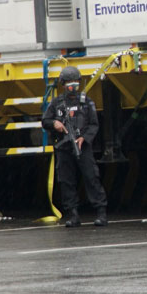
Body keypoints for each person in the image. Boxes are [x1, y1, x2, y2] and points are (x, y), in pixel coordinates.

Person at [42, 66, 108, 227]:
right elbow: (45, 121)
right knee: (66, 180)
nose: (72, 85)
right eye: (68, 82)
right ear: (62, 84)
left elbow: (94, 124)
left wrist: (83, 138)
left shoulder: (86, 102)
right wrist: (54, 123)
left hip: (82, 147)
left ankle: (101, 212)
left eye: (74, 82)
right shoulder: (56, 103)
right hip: (63, 147)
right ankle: (73, 214)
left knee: (91, 177)